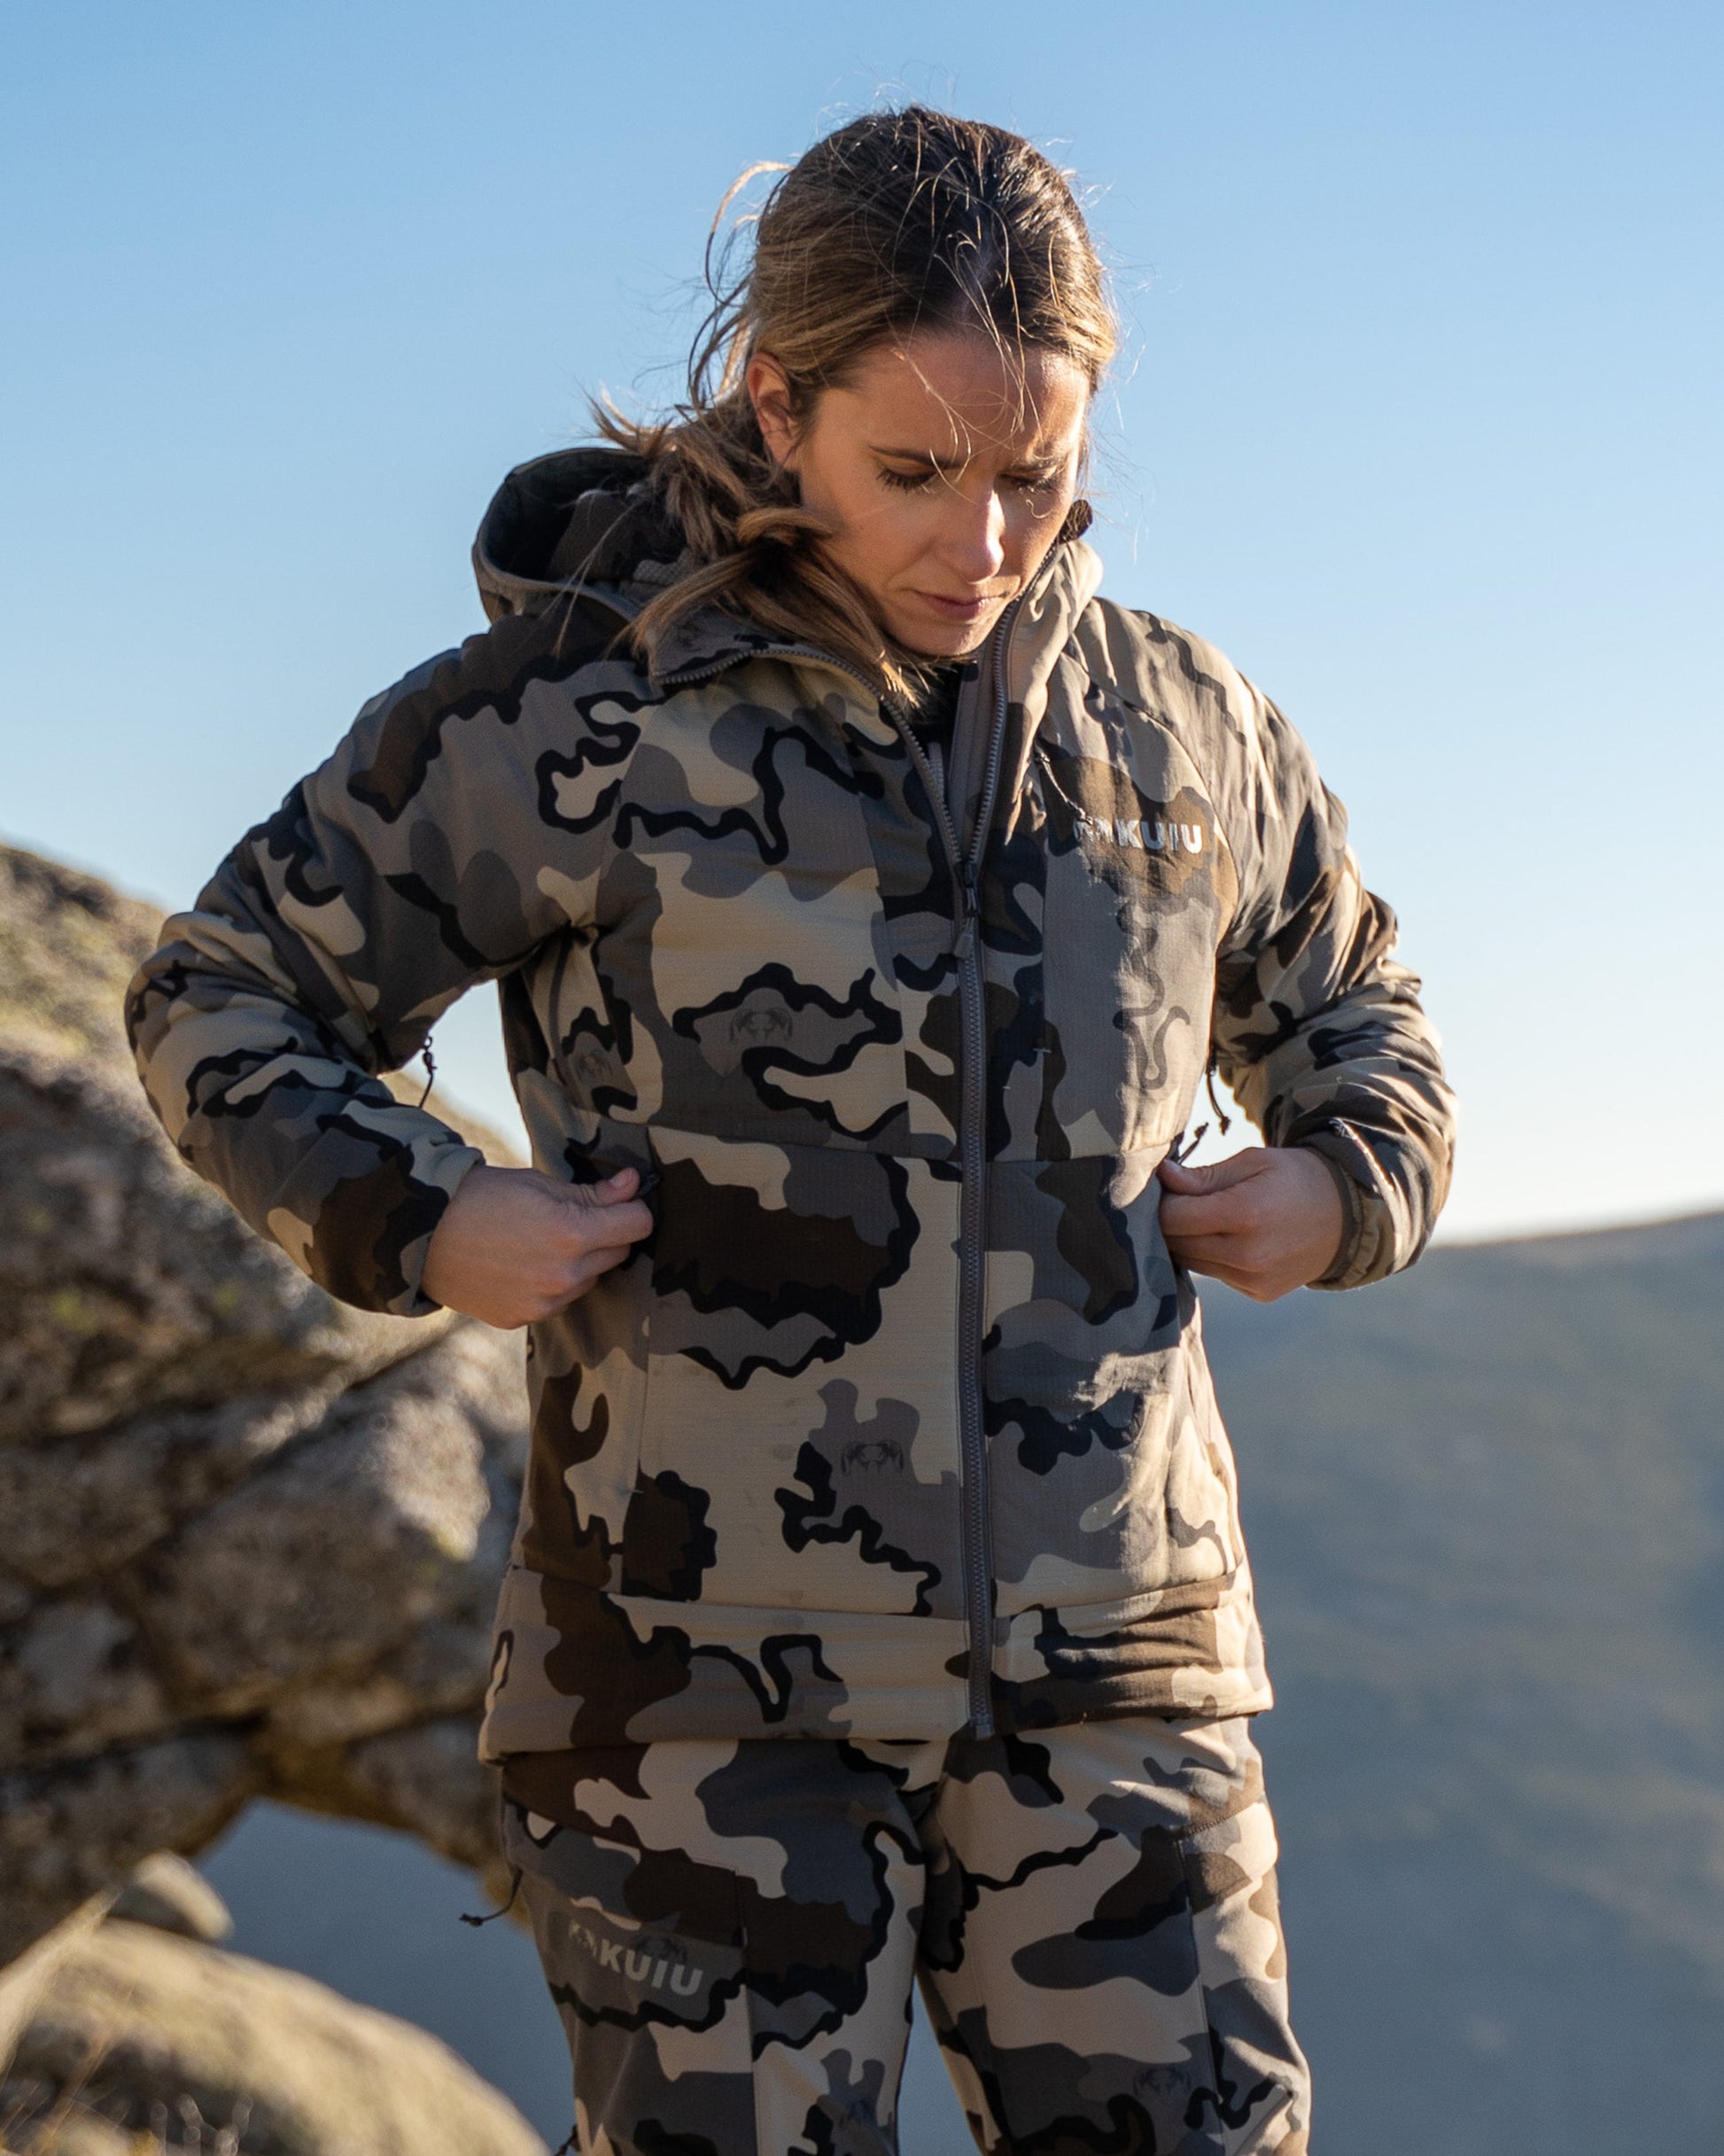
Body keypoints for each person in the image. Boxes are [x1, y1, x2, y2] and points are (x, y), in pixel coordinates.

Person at [128, 106, 1453, 2156]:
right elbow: (218, 988)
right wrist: (421, 1210)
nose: (981, 540)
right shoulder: (571, 715)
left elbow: (1367, 1016)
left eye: (1034, 473)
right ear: (777, 404)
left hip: (1122, 1680)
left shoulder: (1187, 729)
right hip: (696, 1704)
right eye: (913, 471)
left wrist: (1345, 1180)